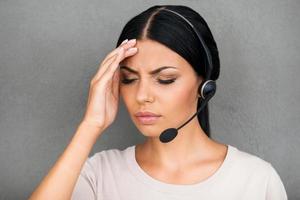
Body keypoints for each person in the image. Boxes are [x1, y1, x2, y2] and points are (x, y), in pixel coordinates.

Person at [29, 5, 288, 200]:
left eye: (165, 79)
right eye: (129, 79)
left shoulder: (256, 180)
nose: (142, 95)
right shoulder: (98, 173)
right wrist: (90, 125)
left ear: (205, 85)